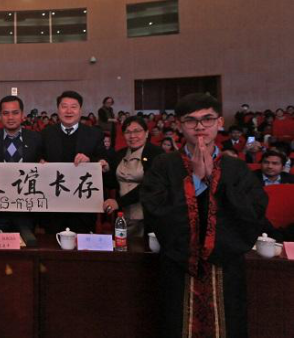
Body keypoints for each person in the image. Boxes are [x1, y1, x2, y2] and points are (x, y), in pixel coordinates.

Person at [140, 93, 267, 338]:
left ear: (219, 122)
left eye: (207, 119)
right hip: (178, 267)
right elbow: (154, 209)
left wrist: (214, 181)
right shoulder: (164, 165)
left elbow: (253, 211)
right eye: (191, 120)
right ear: (179, 125)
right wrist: (196, 180)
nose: (199, 127)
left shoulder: (236, 168)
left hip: (225, 268)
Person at [41, 91, 109, 234]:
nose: (69, 111)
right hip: (54, 205)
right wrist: (40, 162)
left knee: (82, 244)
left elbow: (103, 160)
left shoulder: (94, 134)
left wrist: (91, 161)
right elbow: (38, 158)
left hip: (83, 207)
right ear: (58, 109)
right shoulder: (46, 134)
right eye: (64, 106)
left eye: (73, 107)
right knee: (52, 244)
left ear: (80, 110)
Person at [0, 96, 43, 233]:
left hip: (26, 208)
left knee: (27, 243)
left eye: (15, 113)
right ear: (0, 116)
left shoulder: (36, 138)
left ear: (22, 115)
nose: (10, 117)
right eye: (6, 113)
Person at [102, 116, 164, 237]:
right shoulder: (120, 154)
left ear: (146, 133)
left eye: (137, 131)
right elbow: (113, 183)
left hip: (148, 214)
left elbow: (150, 185)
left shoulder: (157, 154)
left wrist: (119, 202)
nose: (132, 136)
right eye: (128, 132)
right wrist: (106, 171)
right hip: (124, 214)